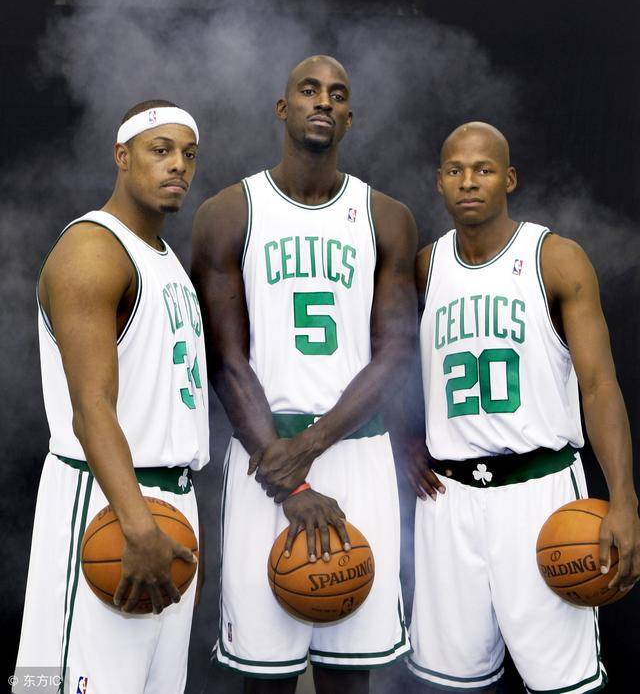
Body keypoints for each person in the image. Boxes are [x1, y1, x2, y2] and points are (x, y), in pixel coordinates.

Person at [191, 55, 416, 693]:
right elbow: (225, 358)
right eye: (309, 90)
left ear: (350, 117)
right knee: (266, 674)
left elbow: (396, 351)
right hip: (263, 453)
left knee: (350, 673)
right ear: (283, 108)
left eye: (337, 95)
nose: (323, 101)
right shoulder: (229, 212)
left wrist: (309, 447)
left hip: (354, 451)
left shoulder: (386, 216)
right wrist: (286, 476)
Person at [406, 121, 640, 693]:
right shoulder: (426, 267)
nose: (469, 181)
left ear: (508, 179)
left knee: (563, 685)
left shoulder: (555, 259)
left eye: (483, 170)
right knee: (448, 684)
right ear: (439, 181)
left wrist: (624, 500)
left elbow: (599, 386)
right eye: (456, 170)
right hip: (449, 500)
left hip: (540, 494)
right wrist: (405, 438)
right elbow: (395, 365)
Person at [13, 100, 209, 694]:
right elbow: (90, 406)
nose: (178, 165)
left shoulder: (165, 260)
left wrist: (171, 523)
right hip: (104, 504)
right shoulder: (92, 250)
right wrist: (138, 524)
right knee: (60, 684)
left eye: (189, 154)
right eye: (160, 150)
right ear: (122, 156)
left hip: (168, 504)